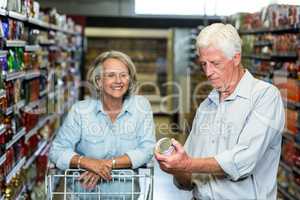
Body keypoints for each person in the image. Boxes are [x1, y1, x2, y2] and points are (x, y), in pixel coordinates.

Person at [155, 23, 285, 199]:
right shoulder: (206, 106)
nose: (208, 72)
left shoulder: (264, 97)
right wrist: (176, 166)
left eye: (215, 63)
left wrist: (188, 163)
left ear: (236, 58)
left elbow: (243, 162)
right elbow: (186, 180)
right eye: (203, 64)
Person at [49, 50, 156, 198]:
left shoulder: (141, 107)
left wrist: (104, 165)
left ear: (129, 80)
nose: (118, 80)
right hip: (85, 195)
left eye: (123, 75)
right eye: (111, 75)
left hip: (125, 195)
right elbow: (57, 151)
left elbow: (147, 149)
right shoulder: (80, 111)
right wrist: (86, 162)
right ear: (99, 81)